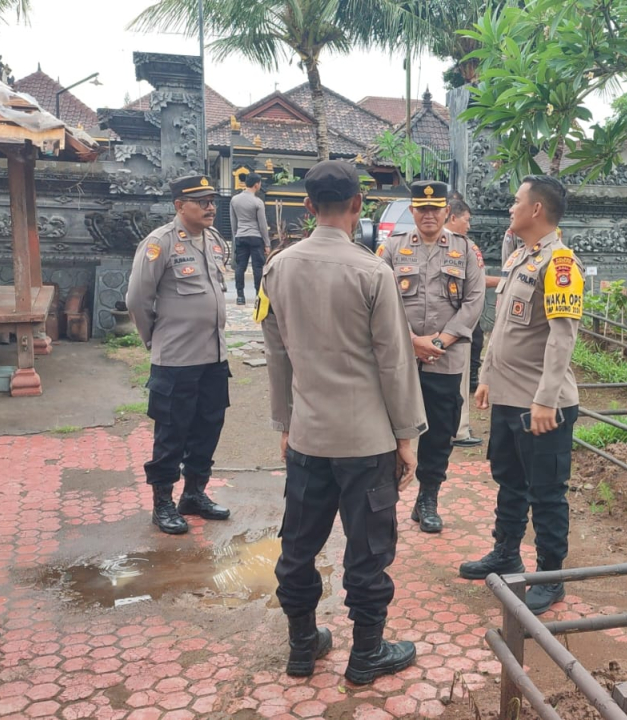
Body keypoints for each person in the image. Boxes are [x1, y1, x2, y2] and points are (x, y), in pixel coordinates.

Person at [259, 160, 427, 685]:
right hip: (366, 440)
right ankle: (366, 655)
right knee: (369, 549)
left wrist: (285, 423)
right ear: (359, 205)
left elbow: (276, 355)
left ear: (308, 206)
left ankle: (302, 648)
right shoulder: (371, 270)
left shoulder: (276, 269)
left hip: (309, 438)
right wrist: (407, 438)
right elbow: (394, 362)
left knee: (299, 546)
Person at [458, 175, 583, 615]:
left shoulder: (560, 264)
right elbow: (503, 328)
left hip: (542, 405)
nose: (510, 208)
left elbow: (562, 339)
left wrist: (546, 399)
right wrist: (487, 374)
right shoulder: (519, 259)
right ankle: (506, 552)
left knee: (546, 491)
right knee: (508, 481)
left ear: (536, 211)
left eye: (516, 201)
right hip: (510, 397)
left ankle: (550, 577)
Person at [125, 175, 232, 535]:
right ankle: (163, 503)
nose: (209, 207)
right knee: (172, 433)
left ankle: (194, 494)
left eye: (211, 200)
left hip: (214, 357)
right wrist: (155, 341)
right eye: (200, 201)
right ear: (178, 206)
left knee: (208, 427)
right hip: (175, 360)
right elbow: (138, 300)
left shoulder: (215, 241)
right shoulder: (160, 244)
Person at [376, 182, 485, 533]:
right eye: (421, 208)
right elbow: (380, 303)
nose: (428, 214)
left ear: (446, 213)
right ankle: (385, 497)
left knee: (440, 430)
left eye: (435, 208)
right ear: (412, 211)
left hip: (445, 357)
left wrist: (439, 340)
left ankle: (428, 498)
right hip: (400, 358)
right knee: (391, 427)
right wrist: (411, 341)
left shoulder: (466, 250)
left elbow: (474, 301)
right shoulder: (392, 249)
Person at [448, 198, 488, 448]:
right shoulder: (466, 247)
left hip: (423, 331)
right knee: (459, 382)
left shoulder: (416, 243)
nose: (468, 225)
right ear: (452, 217)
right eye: (466, 219)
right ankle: (459, 431)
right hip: (457, 329)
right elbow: (476, 290)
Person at [228, 172, 270, 306]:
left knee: (240, 267)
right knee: (258, 267)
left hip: (241, 236)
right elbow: (262, 225)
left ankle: (240, 296)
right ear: (257, 185)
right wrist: (267, 243)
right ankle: (258, 296)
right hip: (255, 237)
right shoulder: (257, 202)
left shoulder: (234, 200)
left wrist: (236, 236)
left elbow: (233, 222)